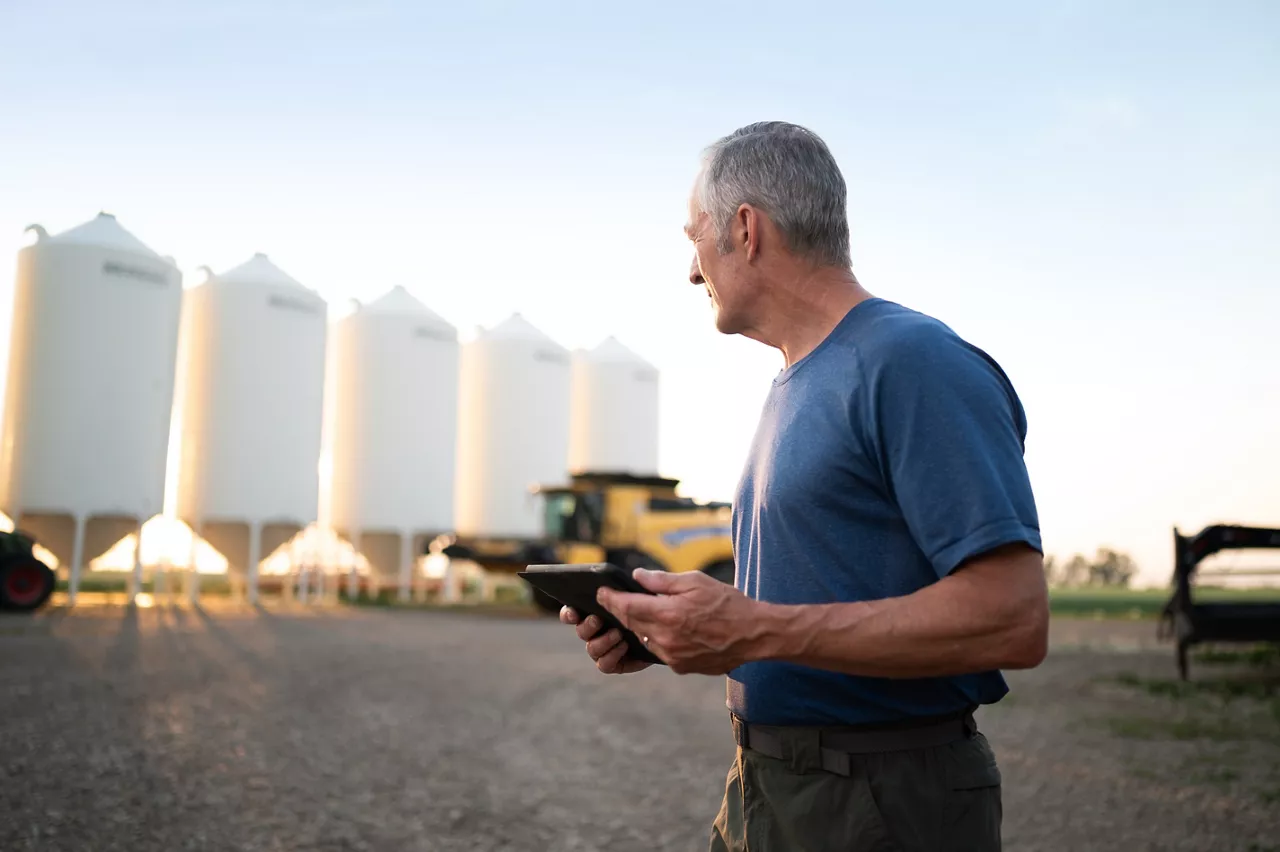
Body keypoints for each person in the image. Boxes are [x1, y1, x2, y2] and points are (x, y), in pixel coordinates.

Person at [559, 121, 1048, 851]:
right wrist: (676, 635)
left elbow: (1012, 617)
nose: (692, 272)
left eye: (694, 239)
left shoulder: (910, 362)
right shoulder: (795, 381)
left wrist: (751, 629)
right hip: (766, 784)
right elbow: (808, 607)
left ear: (746, 230)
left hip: (880, 798)